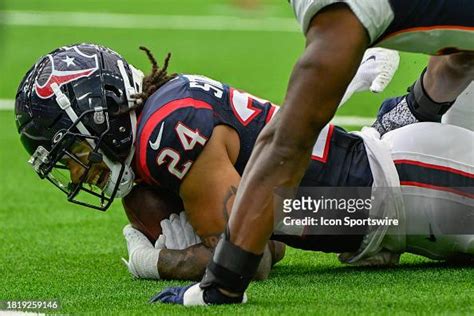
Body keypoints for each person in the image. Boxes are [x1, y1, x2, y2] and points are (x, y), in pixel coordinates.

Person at [155, 0, 474, 306]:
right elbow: (459, 52)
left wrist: (221, 284)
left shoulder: (337, 10)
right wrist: (410, 110)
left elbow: (287, 145)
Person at [14, 43, 396, 278]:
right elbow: (274, 242)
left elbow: (250, 260)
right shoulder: (157, 128)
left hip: (393, 192)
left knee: (459, 222)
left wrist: (161, 262)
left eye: (75, 153)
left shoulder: (165, 133)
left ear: (103, 113)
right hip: (367, 207)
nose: (78, 173)